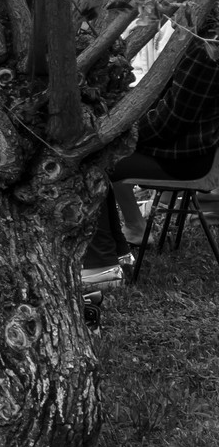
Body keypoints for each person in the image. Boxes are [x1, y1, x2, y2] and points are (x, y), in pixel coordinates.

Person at [84, 22, 219, 273]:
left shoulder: (207, 48)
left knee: (88, 162)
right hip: (188, 150)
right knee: (96, 152)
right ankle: (120, 251)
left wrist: (120, 131)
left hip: (186, 160)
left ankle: (101, 267)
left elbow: (168, 124)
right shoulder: (202, 41)